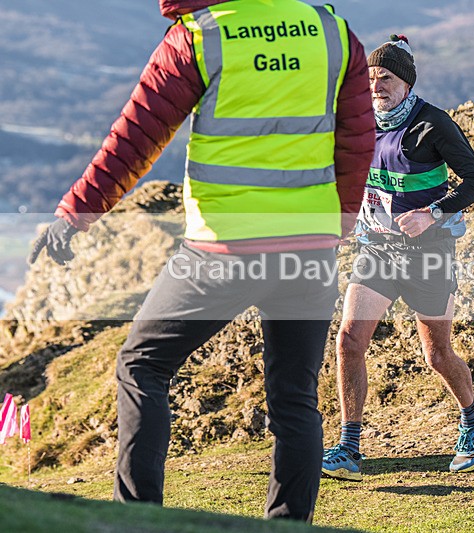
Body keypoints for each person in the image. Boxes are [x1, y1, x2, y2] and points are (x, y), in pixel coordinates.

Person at [28, 0, 375, 522]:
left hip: (224, 251)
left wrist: (77, 212)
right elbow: (357, 134)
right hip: (310, 249)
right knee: (295, 396)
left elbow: (138, 137)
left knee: (142, 365)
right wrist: (344, 215)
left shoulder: (202, 36)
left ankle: (138, 518)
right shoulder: (331, 31)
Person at [320, 35, 474, 482]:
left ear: (406, 83)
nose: (376, 85)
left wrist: (433, 213)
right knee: (348, 342)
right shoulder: (357, 121)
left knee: (437, 356)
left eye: (387, 78)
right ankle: (349, 447)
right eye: (371, 77)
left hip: (428, 254)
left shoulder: (432, 124)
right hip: (376, 250)